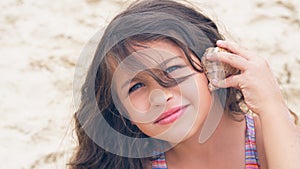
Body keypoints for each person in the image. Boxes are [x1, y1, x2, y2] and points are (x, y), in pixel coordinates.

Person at [69, 0, 300, 168]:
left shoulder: (267, 137)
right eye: (136, 87)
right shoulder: (139, 163)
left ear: (213, 66)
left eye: (171, 69)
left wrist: (271, 104)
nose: (159, 97)